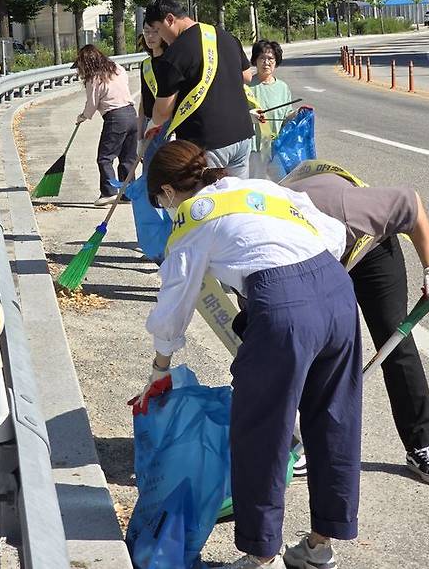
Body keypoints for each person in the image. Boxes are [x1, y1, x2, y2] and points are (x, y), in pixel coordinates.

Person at [135, 140, 363, 569]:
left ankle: (262, 556)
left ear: (167, 192)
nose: (164, 210)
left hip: (284, 306)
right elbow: (333, 235)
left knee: (261, 430)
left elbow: (175, 304)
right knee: (334, 418)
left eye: (159, 202)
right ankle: (319, 546)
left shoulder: (192, 217)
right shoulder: (260, 187)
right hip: (336, 292)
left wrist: (159, 368)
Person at [278, 161, 429, 485]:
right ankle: (298, 440)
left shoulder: (351, 210)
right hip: (310, 256)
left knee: (394, 338)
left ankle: (422, 444)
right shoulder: (268, 243)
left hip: (369, 245)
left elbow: (410, 203)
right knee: (301, 342)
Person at [143, 0, 254, 178]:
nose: (160, 37)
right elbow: (247, 76)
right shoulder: (225, 36)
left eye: (158, 30)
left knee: (204, 202)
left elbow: (161, 113)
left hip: (206, 141)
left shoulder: (175, 54)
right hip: (242, 135)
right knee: (235, 200)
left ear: (170, 19)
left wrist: (152, 122)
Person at [73, 45, 138, 206]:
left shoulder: (94, 78)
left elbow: (92, 103)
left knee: (104, 158)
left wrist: (83, 116)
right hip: (131, 114)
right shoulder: (117, 68)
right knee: (128, 158)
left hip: (115, 118)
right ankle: (128, 193)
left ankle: (109, 192)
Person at [247, 39, 293, 179]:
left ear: (276, 61)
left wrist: (297, 114)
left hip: (276, 148)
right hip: (253, 149)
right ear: (255, 60)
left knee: (278, 187)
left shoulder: (283, 88)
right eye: (262, 58)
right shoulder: (246, 85)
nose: (266, 62)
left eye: (270, 58)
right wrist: (248, 116)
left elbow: (286, 116)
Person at [136, 23, 166, 165]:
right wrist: (139, 138)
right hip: (150, 125)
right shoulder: (145, 65)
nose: (150, 36)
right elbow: (143, 103)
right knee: (149, 173)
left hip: (167, 124)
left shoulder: (172, 61)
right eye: (146, 32)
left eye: (155, 32)